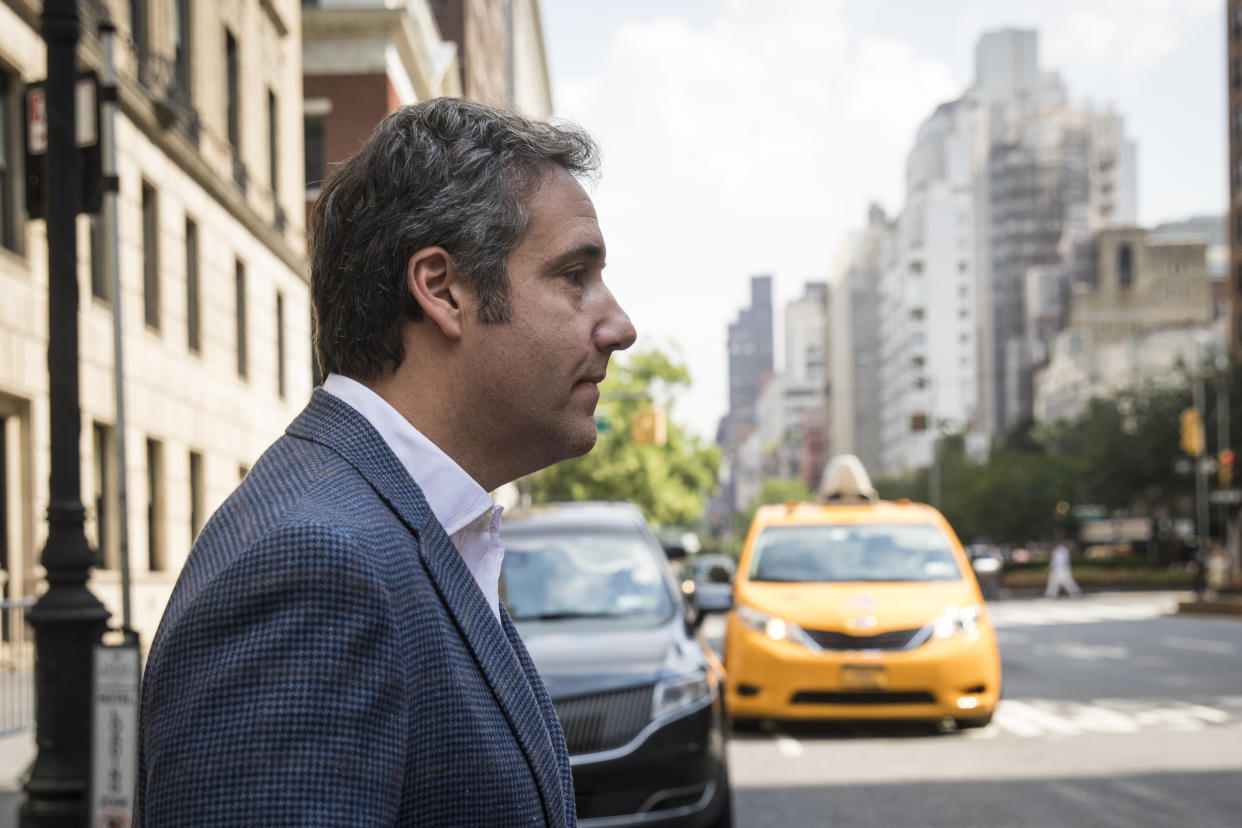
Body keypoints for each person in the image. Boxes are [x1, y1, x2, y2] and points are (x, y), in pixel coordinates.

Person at [135, 99, 636, 826]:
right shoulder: (315, 566)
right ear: (440, 289)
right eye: (574, 276)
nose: (619, 325)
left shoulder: (407, 526)